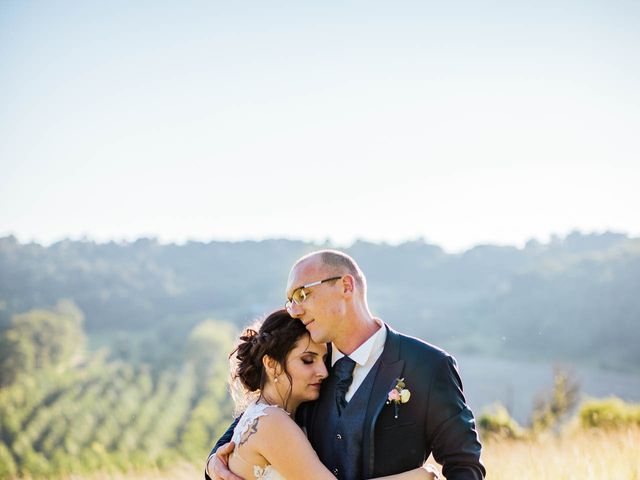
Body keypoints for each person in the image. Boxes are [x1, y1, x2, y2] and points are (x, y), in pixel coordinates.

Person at [207, 250, 485, 480]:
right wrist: (214, 461)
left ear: (346, 286)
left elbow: (465, 467)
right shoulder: (310, 369)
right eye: (290, 301)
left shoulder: (427, 366)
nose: (295, 310)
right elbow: (259, 418)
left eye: (302, 295)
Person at [221, 308, 437, 480]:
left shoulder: (271, 415)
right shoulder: (271, 422)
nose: (324, 372)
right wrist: (419, 476)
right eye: (307, 360)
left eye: (323, 360)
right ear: (271, 364)